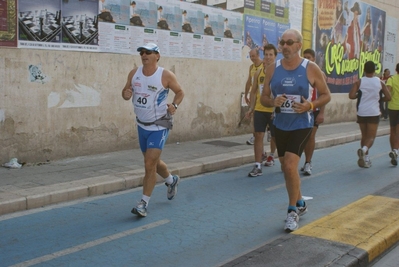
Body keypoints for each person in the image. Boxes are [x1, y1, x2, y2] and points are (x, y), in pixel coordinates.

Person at [260, 29, 331, 232]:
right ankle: (300, 202)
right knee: (285, 168)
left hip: (302, 124)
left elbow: (326, 95)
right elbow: (264, 97)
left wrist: (310, 106)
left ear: (299, 45)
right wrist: (273, 101)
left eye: (289, 42)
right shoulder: (272, 69)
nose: (284, 46)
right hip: (280, 124)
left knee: (291, 166)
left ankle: (292, 211)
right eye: (282, 42)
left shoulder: (311, 68)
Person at [121, 43, 184, 217]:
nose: (144, 55)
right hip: (142, 124)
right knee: (153, 163)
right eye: (141, 52)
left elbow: (180, 92)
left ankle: (143, 203)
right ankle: (172, 180)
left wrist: (175, 105)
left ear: (157, 55)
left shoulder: (165, 75)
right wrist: (125, 93)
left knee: (149, 164)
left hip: (160, 123)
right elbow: (126, 91)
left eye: (148, 52)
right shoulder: (134, 74)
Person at [349, 61, 391, 168]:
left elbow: (351, 95)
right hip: (374, 112)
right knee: (371, 137)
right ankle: (363, 150)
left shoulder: (359, 82)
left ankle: (365, 158)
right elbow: (388, 97)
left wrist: (360, 95)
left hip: (361, 112)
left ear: (364, 70)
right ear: (374, 70)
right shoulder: (380, 82)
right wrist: (380, 99)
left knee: (364, 136)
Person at [246, 44, 278, 177]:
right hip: (260, 108)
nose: (268, 57)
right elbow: (254, 91)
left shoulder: (279, 72)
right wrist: (251, 108)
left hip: (274, 110)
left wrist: (277, 109)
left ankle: (271, 155)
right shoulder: (259, 72)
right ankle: (257, 165)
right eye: (266, 54)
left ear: (275, 57)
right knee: (258, 135)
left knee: (275, 136)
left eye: (271, 55)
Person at [300, 48, 326, 175]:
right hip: (301, 109)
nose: (306, 59)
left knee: (310, 136)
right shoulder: (299, 72)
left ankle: (308, 162)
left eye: (309, 57)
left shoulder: (320, 74)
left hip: (314, 110)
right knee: (301, 137)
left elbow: (324, 95)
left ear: (314, 59)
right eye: (304, 57)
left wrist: (321, 112)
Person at [244, 49, 263, 145]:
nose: (252, 58)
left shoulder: (264, 65)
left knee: (261, 116)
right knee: (254, 116)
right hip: (254, 95)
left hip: (263, 96)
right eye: (251, 56)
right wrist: (246, 94)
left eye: (254, 56)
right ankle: (254, 136)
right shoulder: (251, 67)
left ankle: (267, 131)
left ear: (258, 55)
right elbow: (248, 82)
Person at [386, 63, 399, 166]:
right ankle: (395, 151)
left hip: (393, 108)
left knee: (392, 131)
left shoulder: (391, 79)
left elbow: (388, 92)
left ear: (396, 70)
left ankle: (393, 150)